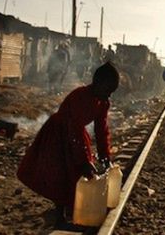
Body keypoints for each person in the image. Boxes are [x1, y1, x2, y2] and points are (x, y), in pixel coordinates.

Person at [17, 63, 119, 226]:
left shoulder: (103, 103)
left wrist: (105, 156)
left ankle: (72, 208)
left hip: (75, 135)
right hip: (58, 134)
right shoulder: (80, 96)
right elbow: (73, 128)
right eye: (107, 91)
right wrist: (85, 160)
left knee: (76, 173)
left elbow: (102, 130)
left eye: (111, 93)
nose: (108, 96)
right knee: (61, 173)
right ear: (97, 83)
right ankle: (59, 216)